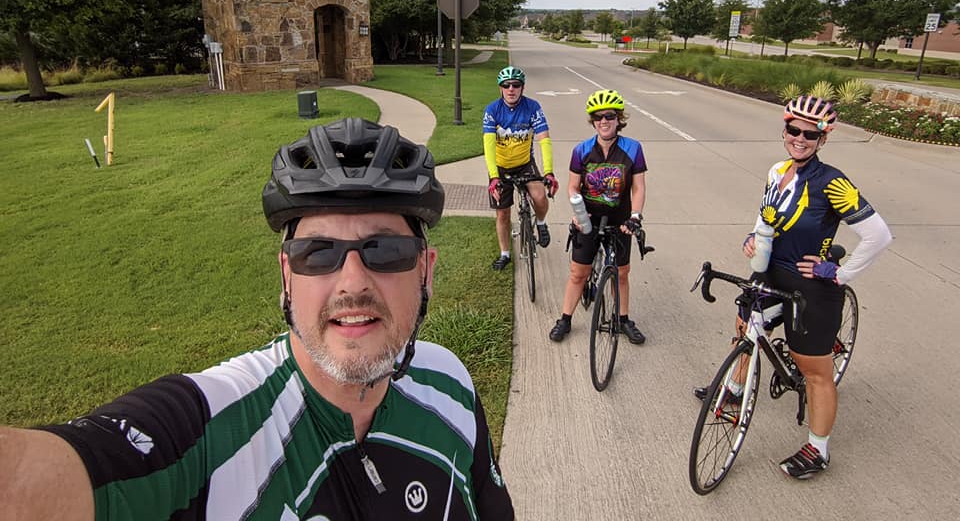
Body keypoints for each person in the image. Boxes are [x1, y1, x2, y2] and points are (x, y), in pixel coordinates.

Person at [1, 118, 514, 520]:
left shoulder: (450, 381)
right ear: (287, 277)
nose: (353, 282)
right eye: (318, 253)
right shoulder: (211, 431)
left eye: (385, 250)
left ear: (425, 270)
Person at [694, 95, 892, 480]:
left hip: (811, 285)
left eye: (810, 134)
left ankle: (818, 449)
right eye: (793, 130)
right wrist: (753, 237)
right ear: (784, 130)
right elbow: (765, 217)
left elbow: (878, 235)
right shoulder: (777, 170)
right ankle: (736, 389)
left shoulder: (832, 182)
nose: (799, 138)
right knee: (747, 326)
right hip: (771, 271)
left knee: (813, 369)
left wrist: (838, 273)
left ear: (822, 139)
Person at [548, 89, 649, 345]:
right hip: (589, 218)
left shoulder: (633, 149)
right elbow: (573, 187)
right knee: (578, 273)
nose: (603, 121)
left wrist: (635, 217)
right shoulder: (581, 150)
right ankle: (565, 319)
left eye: (609, 116)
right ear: (592, 121)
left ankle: (623, 319)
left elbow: (638, 187)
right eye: (598, 117)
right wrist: (578, 213)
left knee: (621, 273)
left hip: (620, 220)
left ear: (618, 119)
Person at [482, 65, 559, 271]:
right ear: (500, 88)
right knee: (502, 213)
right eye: (506, 85)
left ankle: (540, 223)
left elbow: (544, 140)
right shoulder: (492, 110)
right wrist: (494, 177)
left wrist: (549, 172)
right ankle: (505, 254)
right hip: (500, 167)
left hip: (525, 164)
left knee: (540, 196)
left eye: (516, 85)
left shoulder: (532, 107)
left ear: (522, 88)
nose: (511, 89)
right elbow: (488, 146)